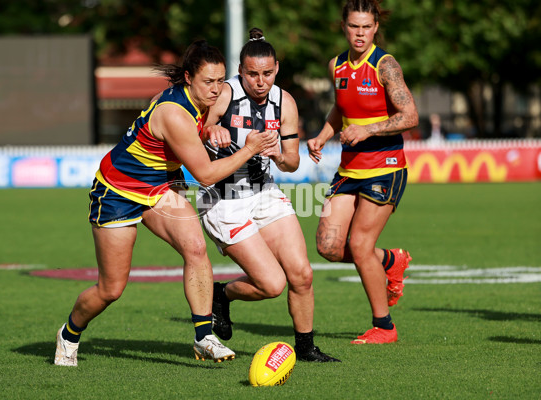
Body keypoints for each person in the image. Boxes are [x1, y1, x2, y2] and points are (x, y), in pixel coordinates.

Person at [54, 40, 279, 366]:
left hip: (158, 188)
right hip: (118, 193)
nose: (217, 89)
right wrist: (249, 148)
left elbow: (187, 143)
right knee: (111, 289)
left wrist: (210, 131)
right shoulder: (174, 113)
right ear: (188, 78)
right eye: (209, 82)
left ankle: (204, 337)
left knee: (195, 248)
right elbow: (205, 174)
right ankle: (70, 333)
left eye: (221, 80)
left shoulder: (199, 102)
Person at [196, 28, 339, 362]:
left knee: (302, 274)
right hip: (222, 199)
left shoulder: (284, 102)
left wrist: (277, 155)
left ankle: (305, 348)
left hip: (264, 192)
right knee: (272, 285)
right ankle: (222, 295)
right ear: (241, 71)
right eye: (252, 74)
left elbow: (292, 162)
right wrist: (210, 128)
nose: (260, 82)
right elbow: (194, 127)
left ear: (277, 70)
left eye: (267, 74)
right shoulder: (224, 93)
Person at [307, 0, 418, 344]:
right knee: (327, 245)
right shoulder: (336, 65)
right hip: (350, 168)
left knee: (359, 244)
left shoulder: (386, 66)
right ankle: (389, 260)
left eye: (366, 27)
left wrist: (367, 130)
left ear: (375, 28)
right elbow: (341, 109)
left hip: (385, 166)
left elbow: (410, 116)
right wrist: (323, 135)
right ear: (344, 26)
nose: (360, 33)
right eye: (354, 26)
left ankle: (384, 327)